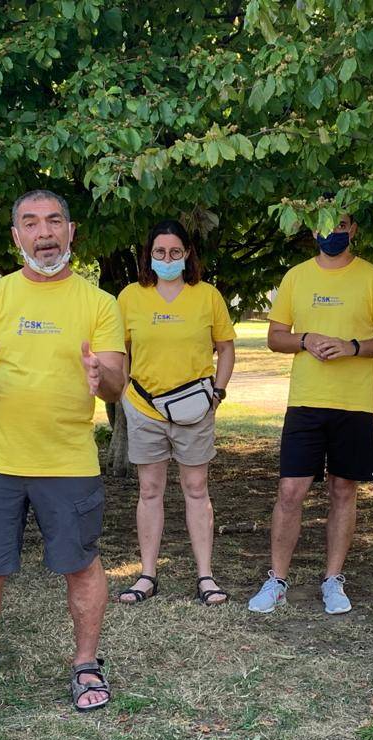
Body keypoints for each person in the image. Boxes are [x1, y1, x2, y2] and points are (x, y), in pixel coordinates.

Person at [0, 190, 126, 733]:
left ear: (71, 233)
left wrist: (103, 378)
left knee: (81, 566)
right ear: (16, 237)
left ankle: (86, 666)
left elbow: (117, 381)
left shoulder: (99, 303)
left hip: (69, 461)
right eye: (30, 222)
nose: (43, 232)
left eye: (53, 221)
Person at [247, 210, 373, 615]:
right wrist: (305, 339)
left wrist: (352, 346)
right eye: (324, 223)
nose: (332, 231)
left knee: (343, 490)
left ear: (353, 228)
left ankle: (333, 580)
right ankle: (277, 580)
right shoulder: (296, 276)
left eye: (341, 224)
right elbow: (274, 337)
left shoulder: (371, 277)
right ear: (311, 228)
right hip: (305, 402)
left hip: (354, 404)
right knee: (290, 492)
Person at [115, 219, 236, 606]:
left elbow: (226, 348)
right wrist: (123, 394)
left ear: (187, 254)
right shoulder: (130, 297)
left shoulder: (207, 296)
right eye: (159, 253)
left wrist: (216, 393)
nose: (167, 259)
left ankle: (206, 576)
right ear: (149, 256)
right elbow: (120, 351)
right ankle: (147, 575)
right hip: (144, 408)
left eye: (174, 252)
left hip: (195, 410)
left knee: (196, 490)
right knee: (149, 491)